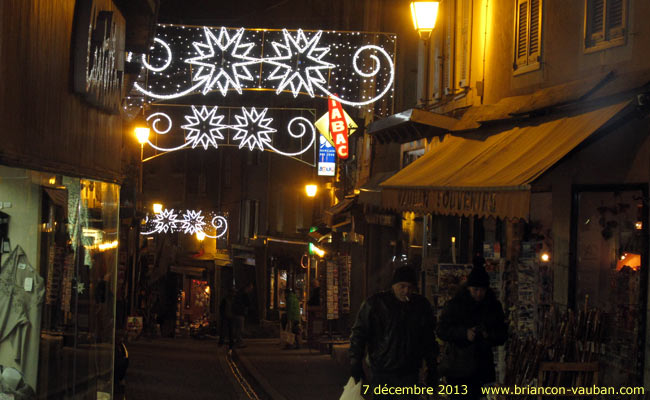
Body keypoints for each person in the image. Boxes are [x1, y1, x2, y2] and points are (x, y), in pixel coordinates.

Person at [349, 264, 438, 399]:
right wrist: (355, 361)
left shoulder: (420, 305)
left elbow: (428, 338)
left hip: (410, 370)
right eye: (402, 286)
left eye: (410, 287)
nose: (406, 291)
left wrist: (432, 365)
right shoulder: (376, 304)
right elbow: (359, 333)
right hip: (382, 371)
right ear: (394, 285)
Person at [437, 265, 508, 400]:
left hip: (482, 368)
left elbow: (502, 334)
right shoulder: (455, 305)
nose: (479, 293)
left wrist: (488, 334)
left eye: (482, 290)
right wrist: (464, 333)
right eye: (475, 289)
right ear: (468, 288)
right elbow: (442, 330)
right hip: (458, 368)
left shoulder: (493, 306)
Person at [232, 283, 253, 348]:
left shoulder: (239, 294)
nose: (251, 290)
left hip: (237, 313)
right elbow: (247, 303)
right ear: (247, 287)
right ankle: (239, 342)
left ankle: (238, 341)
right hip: (240, 313)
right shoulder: (243, 294)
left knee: (238, 328)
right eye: (250, 288)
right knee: (240, 329)